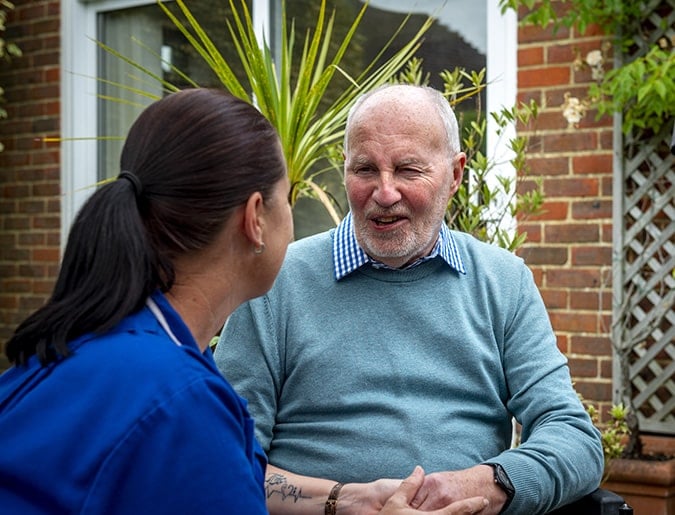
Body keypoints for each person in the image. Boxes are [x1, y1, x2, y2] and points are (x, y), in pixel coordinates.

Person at [0, 88, 488, 515]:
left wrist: (350, 500)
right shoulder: (183, 407)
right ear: (256, 218)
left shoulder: (82, 349)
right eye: (288, 197)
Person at [214, 84, 605, 515]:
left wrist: (485, 485)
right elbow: (224, 461)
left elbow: (575, 439)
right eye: (365, 170)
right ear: (344, 170)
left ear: (455, 175)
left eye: (407, 170)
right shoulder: (276, 282)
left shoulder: (503, 282)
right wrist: (340, 502)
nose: (384, 193)